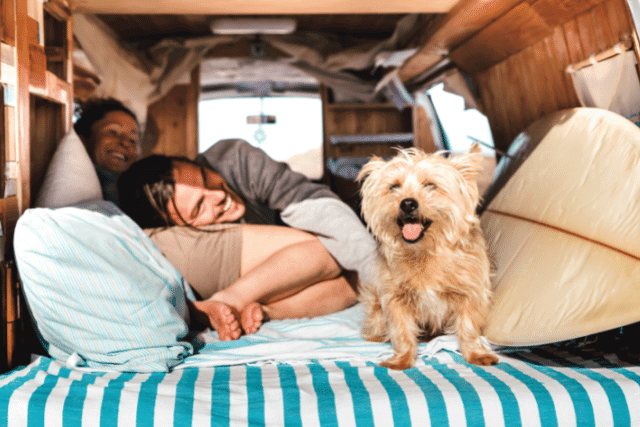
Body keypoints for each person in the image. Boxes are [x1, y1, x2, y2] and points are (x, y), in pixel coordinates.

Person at [118, 139, 378, 339]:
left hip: (297, 262)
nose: (216, 196)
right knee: (334, 255)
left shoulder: (233, 160)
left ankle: (264, 313)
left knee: (354, 276)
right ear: (179, 229)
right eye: (199, 208)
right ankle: (238, 302)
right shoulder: (188, 243)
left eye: (206, 179)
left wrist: (384, 275)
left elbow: (312, 202)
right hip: (278, 261)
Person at [74, 98, 141, 206]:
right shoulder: (73, 187)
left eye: (133, 140)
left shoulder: (136, 195)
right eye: (113, 132)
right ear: (82, 140)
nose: (125, 142)